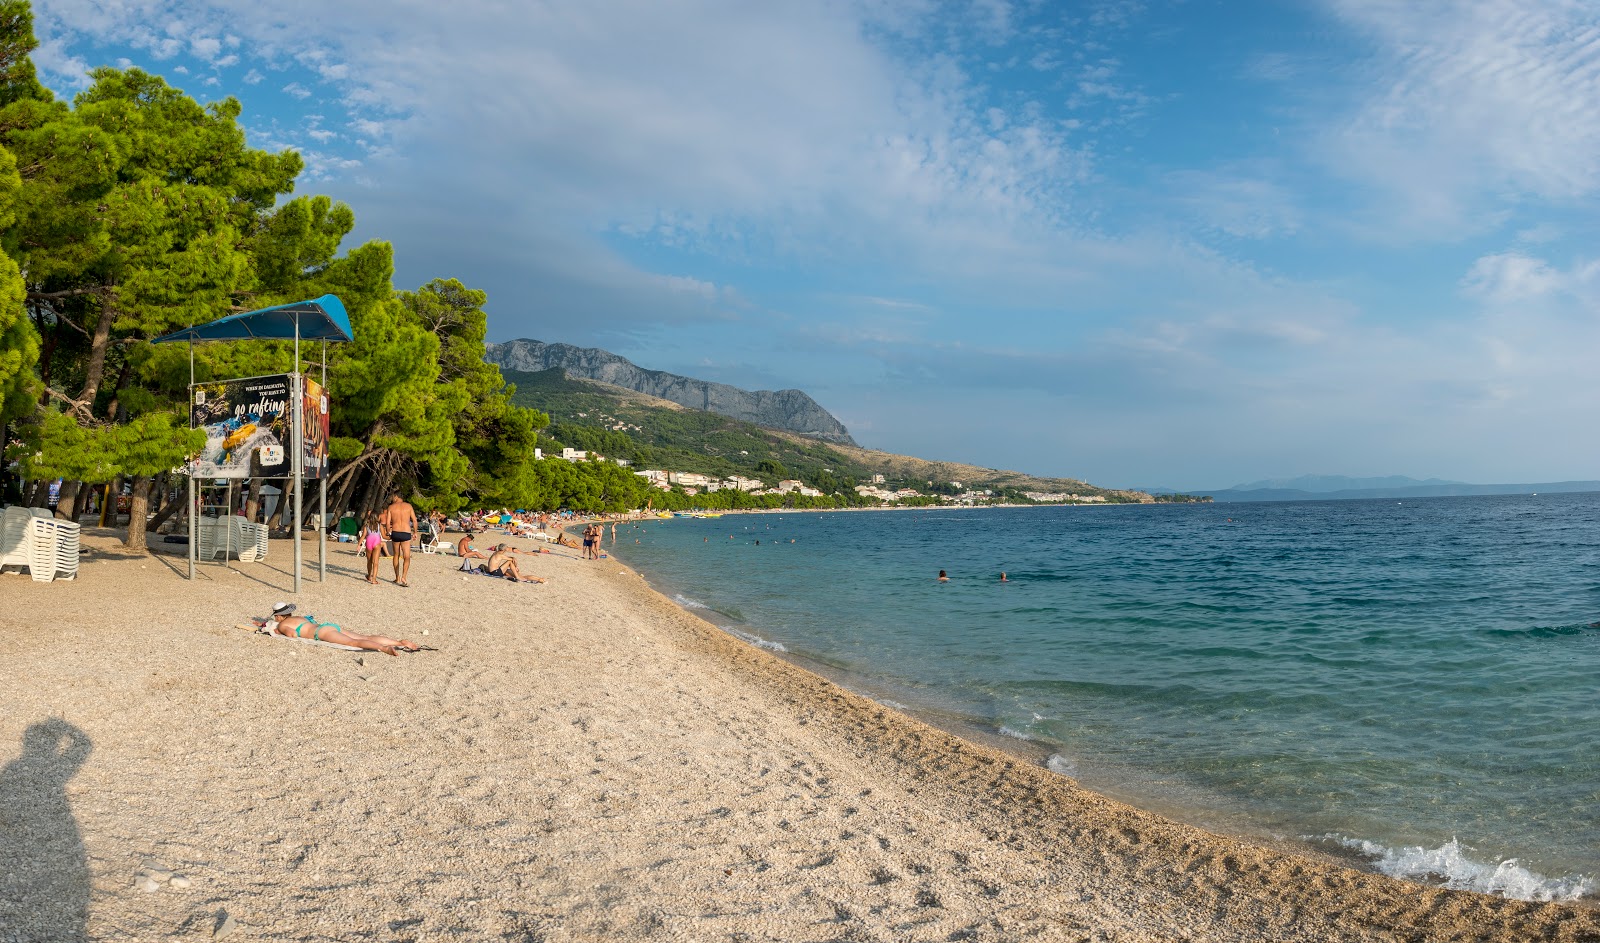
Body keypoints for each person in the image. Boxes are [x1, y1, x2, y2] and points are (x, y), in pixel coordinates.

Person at [260, 602, 421, 656]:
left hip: (320, 633)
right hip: (327, 626)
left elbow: (293, 635)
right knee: (365, 636)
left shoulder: (283, 624)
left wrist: (277, 631)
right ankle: (399, 642)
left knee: (354, 643)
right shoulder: (299, 617)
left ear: (278, 616)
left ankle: (384, 648)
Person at [378, 493, 418, 587]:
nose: (392, 498)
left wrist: (388, 532)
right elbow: (414, 520)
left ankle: (397, 577)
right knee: (406, 556)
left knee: (396, 555)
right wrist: (415, 532)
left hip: (395, 532)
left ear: (396, 496)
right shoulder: (408, 506)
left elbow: (388, 523)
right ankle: (404, 576)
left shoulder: (391, 507)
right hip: (406, 532)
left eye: (392, 497)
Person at [481, 545, 545, 583]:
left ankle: (539, 579)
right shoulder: (500, 555)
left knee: (513, 571)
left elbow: (511, 558)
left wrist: (513, 561)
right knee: (510, 563)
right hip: (496, 572)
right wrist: (516, 566)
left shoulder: (496, 553)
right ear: (504, 549)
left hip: (494, 571)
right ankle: (518, 577)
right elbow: (511, 560)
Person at [359, 513, 383, 585]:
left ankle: (369, 576)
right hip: (377, 543)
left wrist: (359, 545)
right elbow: (384, 536)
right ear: (377, 518)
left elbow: (363, 536)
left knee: (369, 561)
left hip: (369, 542)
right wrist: (391, 537)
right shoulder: (380, 526)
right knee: (375, 563)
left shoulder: (367, 526)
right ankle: (374, 580)